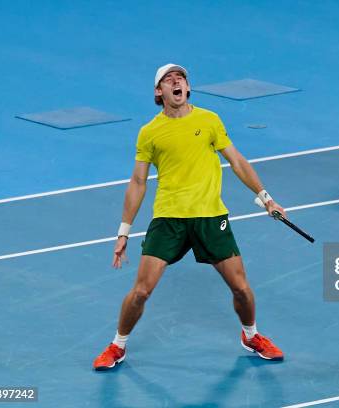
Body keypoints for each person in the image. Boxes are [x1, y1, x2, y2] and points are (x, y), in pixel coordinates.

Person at [93, 63, 285, 370]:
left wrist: (266, 198)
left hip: (210, 217)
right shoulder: (150, 133)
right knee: (141, 291)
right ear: (159, 92)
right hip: (169, 219)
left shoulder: (209, 120)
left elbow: (236, 161)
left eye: (180, 78)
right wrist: (123, 231)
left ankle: (251, 335)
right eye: (168, 80)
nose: (176, 82)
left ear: (188, 87)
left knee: (241, 288)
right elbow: (138, 182)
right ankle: (118, 345)